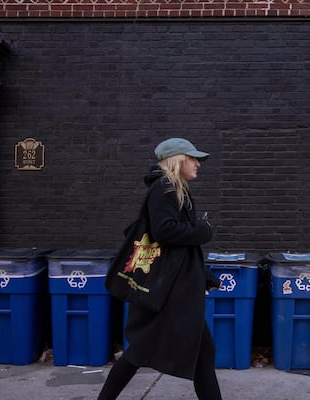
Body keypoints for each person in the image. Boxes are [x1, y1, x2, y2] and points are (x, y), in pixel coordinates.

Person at [98, 137, 222, 400]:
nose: (198, 164)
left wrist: (203, 275)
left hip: (176, 289)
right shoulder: (164, 188)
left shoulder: (175, 189)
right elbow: (164, 232)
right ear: (178, 160)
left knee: (201, 351)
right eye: (193, 158)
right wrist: (203, 230)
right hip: (170, 294)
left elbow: (177, 250)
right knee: (139, 353)